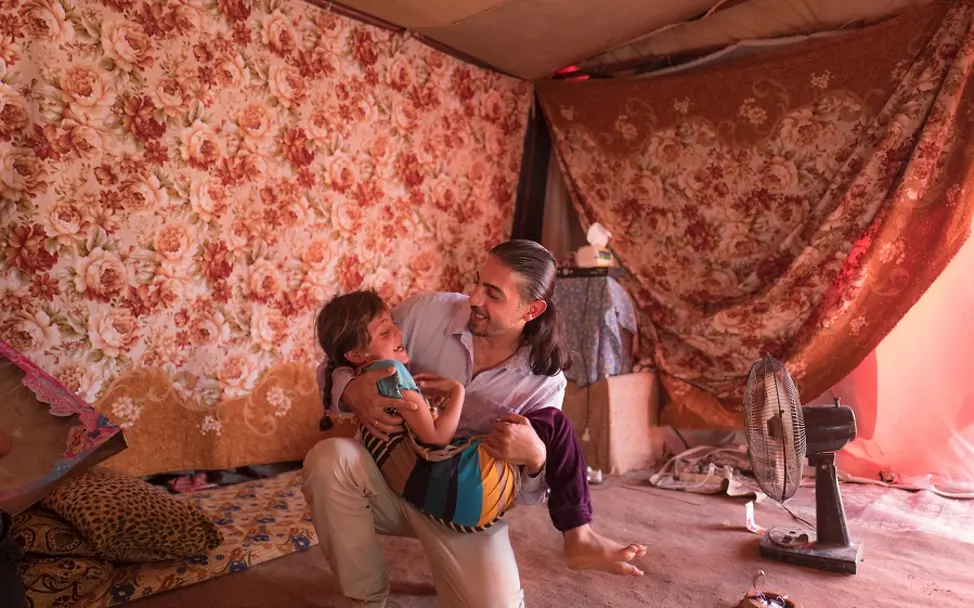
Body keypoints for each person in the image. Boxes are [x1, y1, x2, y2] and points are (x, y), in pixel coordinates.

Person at [302, 240, 646, 608]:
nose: (474, 298)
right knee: (328, 459)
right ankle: (366, 599)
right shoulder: (424, 313)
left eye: (493, 294)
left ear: (531, 310)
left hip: (460, 506)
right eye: (478, 282)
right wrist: (350, 388)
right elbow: (338, 357)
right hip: (388, 482)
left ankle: (573, 538)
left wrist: (535, 460)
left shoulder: (545, 382)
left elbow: (526, 493)